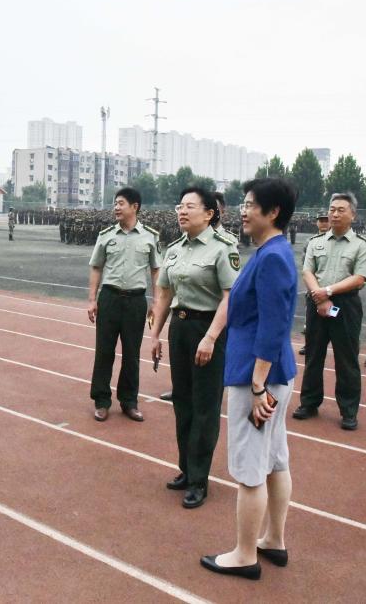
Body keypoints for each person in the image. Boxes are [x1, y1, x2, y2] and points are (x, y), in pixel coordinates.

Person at [201, 177, 297, 581]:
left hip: (258, 377)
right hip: (270, 373)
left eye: (251, 204)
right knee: (274, 461)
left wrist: (258, 386)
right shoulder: (270, 252)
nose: (243, 211)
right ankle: (273, 539)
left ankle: (244, 554)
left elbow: (272, 327)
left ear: (272, 212)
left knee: (250, 468)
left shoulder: (272, 257)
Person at [150, 186, 239, 509]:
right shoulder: (174, 249)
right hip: (181, 328)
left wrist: (211, 337)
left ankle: (199, 479)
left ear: (209, 213)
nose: (182, 211)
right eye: (180, 206)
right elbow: (164, 294)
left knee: (205, 407)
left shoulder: (223, 248)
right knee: (183, 403)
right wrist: (155, 335)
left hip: (208, 328)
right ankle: (186, 469)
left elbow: (230, 297)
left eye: (190, 206)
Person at [293, 193, 366, 430]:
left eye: (341, 210)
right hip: (316, 302)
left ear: (353, 215)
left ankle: (348, 410)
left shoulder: (361, 245)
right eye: (332, 209)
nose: (335, 214)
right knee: (313, 355)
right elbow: (307, 271)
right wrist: (319, 296)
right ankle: (309, 402)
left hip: (345, 306)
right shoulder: (315, 242)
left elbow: (359, 277)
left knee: (346, 359)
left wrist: (327, 291)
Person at [87, 187, 160, 422]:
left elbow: (156, 270)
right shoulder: (106, 235)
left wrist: (156, 302)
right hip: (109, 299)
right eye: (115, 203)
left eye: (121, 203)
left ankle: (129, 401)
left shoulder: (150, 236)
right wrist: (92, 300)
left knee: (131, 354)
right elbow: (96, 267)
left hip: (136, 301)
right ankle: (101, 401)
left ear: (134, 207)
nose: (116, 208)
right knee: (104, 352)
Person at [298, 215, 332, 356]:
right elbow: (306, 266)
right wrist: (313, 287)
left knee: (335, 317)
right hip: (314, 287)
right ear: (316, 223)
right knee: (311, 319)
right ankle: (309, 344)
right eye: (321, 221)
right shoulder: (310, 242)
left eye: (326, 220)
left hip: (332, 287)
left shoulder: (335, 240)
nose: (323, 223)